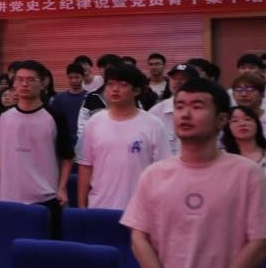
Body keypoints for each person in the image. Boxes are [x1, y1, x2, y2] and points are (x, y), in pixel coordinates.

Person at [122, 78, 266, 268]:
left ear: (221, 119)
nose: (185, 114)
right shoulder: (154, 174)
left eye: (197, 106)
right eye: (180, 106)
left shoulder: (248, 173)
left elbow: (261, 243)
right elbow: (139, 238)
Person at [0, 61, 73, 231]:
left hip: (46, 198)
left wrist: (62, 188)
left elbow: (67, 157)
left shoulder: (55, 117)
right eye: (19, 79)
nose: (24, 84)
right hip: (8, 198)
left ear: (43, 83)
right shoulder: (3, 117)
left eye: (31, 80)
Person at [76, 65, 170, 211]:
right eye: (110, 84)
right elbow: (85, 166)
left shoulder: (153, 124)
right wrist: (82, 205)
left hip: (139, 211)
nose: (115, 89)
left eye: (123, 85)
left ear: (136, 91)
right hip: (99, 207)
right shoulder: (94, 122)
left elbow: (162, 171)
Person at [147, 63, 199, 158]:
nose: (177, 82)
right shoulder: (157, 111)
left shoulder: (204, 110)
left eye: (183, 78)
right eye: (174, 78)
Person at [49, 62, 88, 136]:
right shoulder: (59, 98)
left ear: (83, 77)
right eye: (70, 78)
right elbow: (53, 120)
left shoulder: (89, 97)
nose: (73, 80)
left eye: (77, 77)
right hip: (64, 137)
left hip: (84, 137)